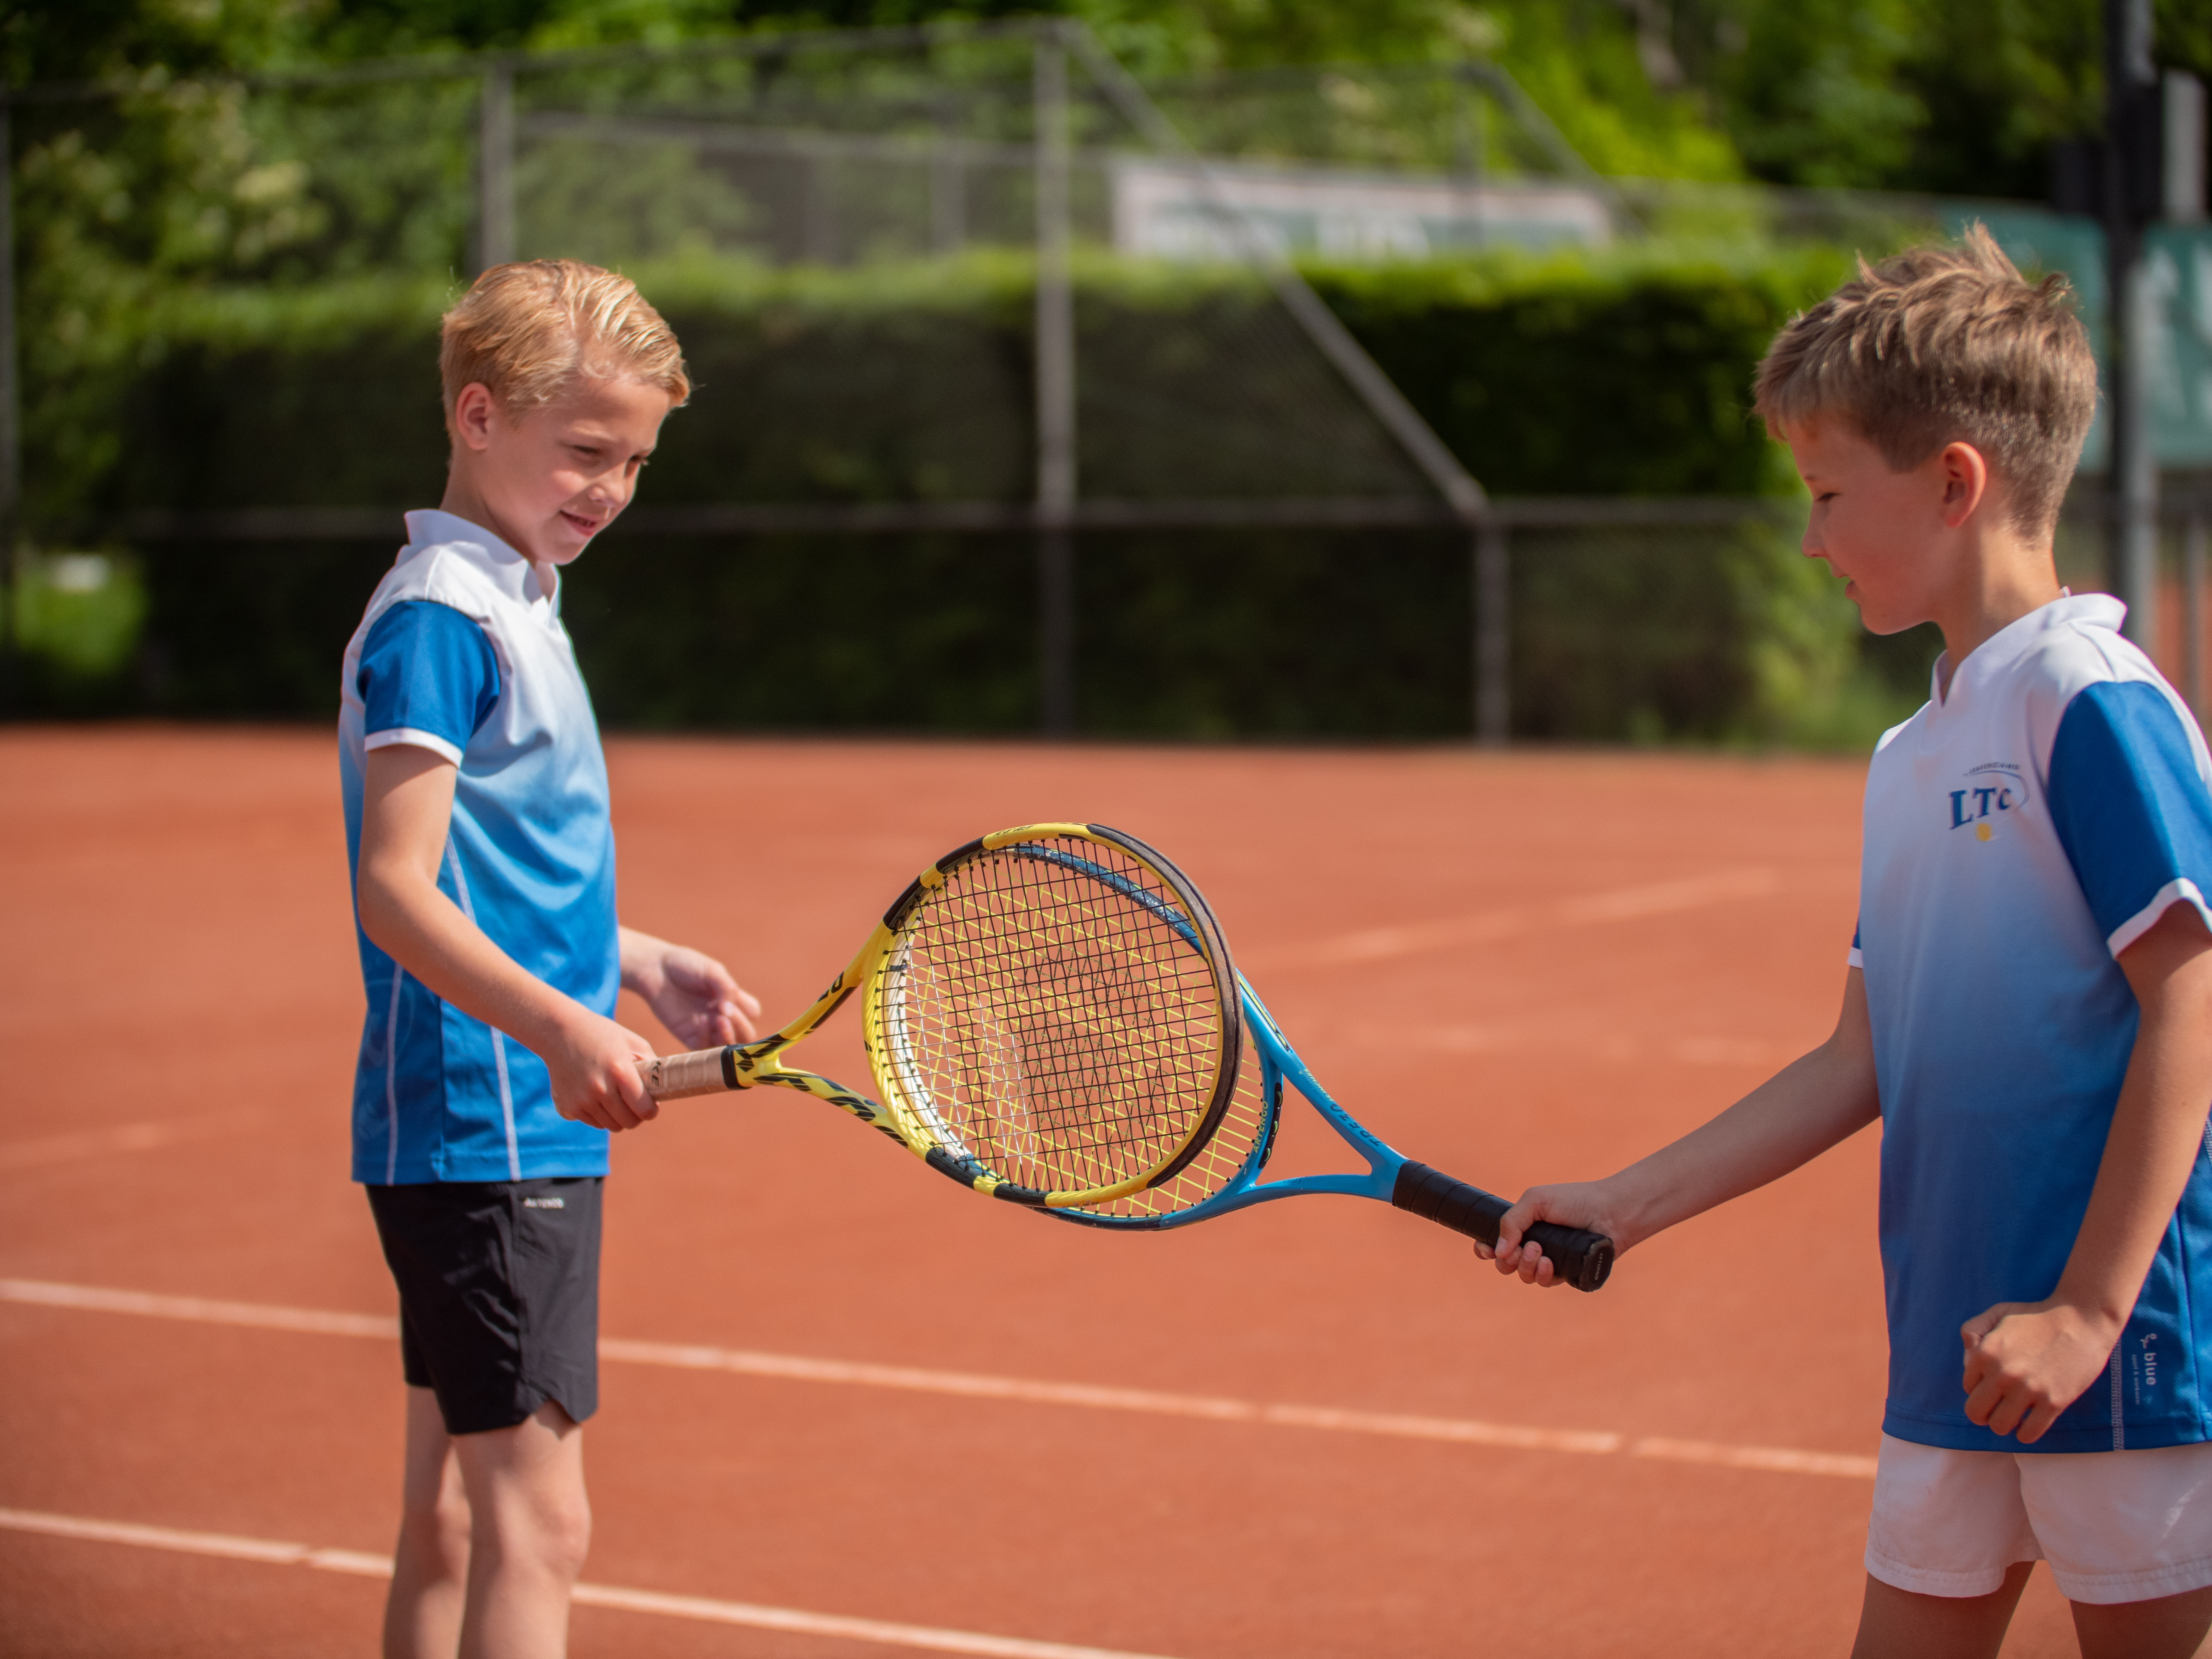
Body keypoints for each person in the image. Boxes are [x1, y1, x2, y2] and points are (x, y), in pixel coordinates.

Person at [1481, 227, 2212, 1659]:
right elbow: (1858, 1058)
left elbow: (2193, 1001)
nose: (1808, 539)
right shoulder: (1908, 756)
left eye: (1825, 494)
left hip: (2112, 1359)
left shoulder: (2087, 698)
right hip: (1954, 1348)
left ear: (1955, 482)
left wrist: (2083, 1311)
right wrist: (1628, 1203)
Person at [338, 258, 761, 1659]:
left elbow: (489, 872)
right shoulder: (440, 619)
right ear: (477, 415)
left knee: (457, 1523)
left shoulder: (513, 589)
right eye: (585, 450)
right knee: (541, 1527)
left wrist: (630, 962)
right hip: (492, 1126)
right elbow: (398, 892)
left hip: (478, 1118)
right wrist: (563, 1033)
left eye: (634, 462)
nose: (610, 489)